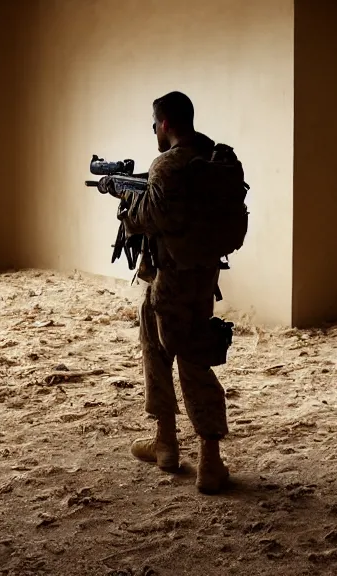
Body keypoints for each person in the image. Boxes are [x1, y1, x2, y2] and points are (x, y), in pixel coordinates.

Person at [118, 91, 231, 495]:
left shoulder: (167, 164)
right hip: (203, 276)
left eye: (155, 125)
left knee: (185, 356)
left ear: (164, 123)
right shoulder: (216, 159)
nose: (155, 133)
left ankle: (206, 458)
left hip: (172, 279)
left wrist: (127, 204)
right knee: (158, 341)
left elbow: (150, 218)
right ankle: (174, 442)